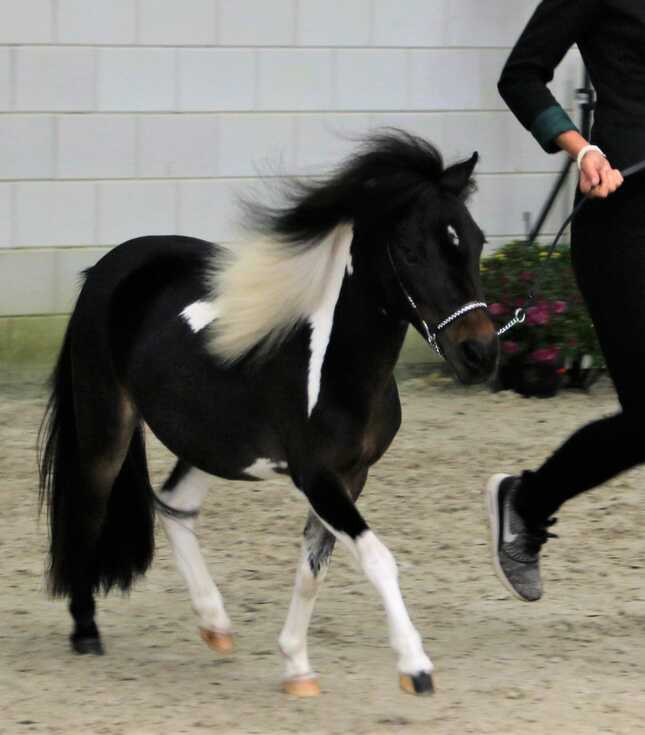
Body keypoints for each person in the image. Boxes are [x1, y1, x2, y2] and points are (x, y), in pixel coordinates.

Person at [486, 0, 645, 602]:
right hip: (623, 219)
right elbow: (521, 75)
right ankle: (526, 504)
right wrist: (582, 150)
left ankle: (526, 504)